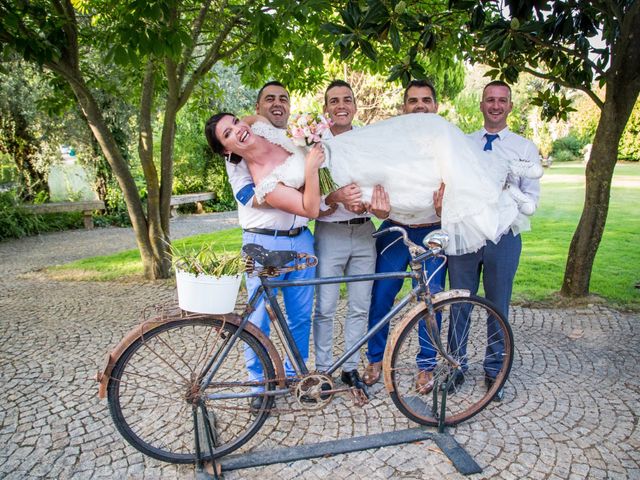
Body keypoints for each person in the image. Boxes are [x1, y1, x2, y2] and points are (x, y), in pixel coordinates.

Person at [210, 82, 321, 409]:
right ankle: (259, 385)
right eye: (268, 100)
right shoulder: (236, 159)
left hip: (302, 241)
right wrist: (284, 193)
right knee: (257, 318)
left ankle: (294, 375)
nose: (277, 104)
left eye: (282, 98)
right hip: (261, 242)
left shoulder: (282, 138)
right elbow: (250, 198)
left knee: (301, 317)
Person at [447, 80, 541, 402]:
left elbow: (532, 201)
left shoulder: (524, 148)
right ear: (482, 104)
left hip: (504, 236)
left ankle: (494, 370)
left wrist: (505, 189)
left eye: (502, 100)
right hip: (466, 236)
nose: (496, 105)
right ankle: (455, 365)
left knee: (497, 306)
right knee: (459, 301)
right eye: (490, 100)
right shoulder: (465, 143)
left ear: (510, 106)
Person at [361, 79, 447, 392]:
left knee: (431, 297)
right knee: (381, 293)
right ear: (404, 107)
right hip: (395, 228)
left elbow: (463, 186)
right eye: (413, 101)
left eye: (426, 100)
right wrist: (378, 210)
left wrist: (447, 207)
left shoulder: (447, 143)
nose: (420, 106)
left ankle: (426, 365)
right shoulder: (390, 144)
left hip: (433, 230)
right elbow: (375, 187)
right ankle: (375, 357)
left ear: (435, 106)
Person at [312, 80, 389, 393]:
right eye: (334, 101)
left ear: (355, 106)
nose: (340, 105)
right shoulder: (316, 146)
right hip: (330, 233)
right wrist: (334, 198)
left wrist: (376, 205)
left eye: (346, 99)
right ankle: (322, 369)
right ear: (326, 109)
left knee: (360, 304)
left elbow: (382, 190)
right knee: (326, 306)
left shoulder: (367, 142)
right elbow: (308, 199)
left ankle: (350, 367)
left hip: (364, 232)